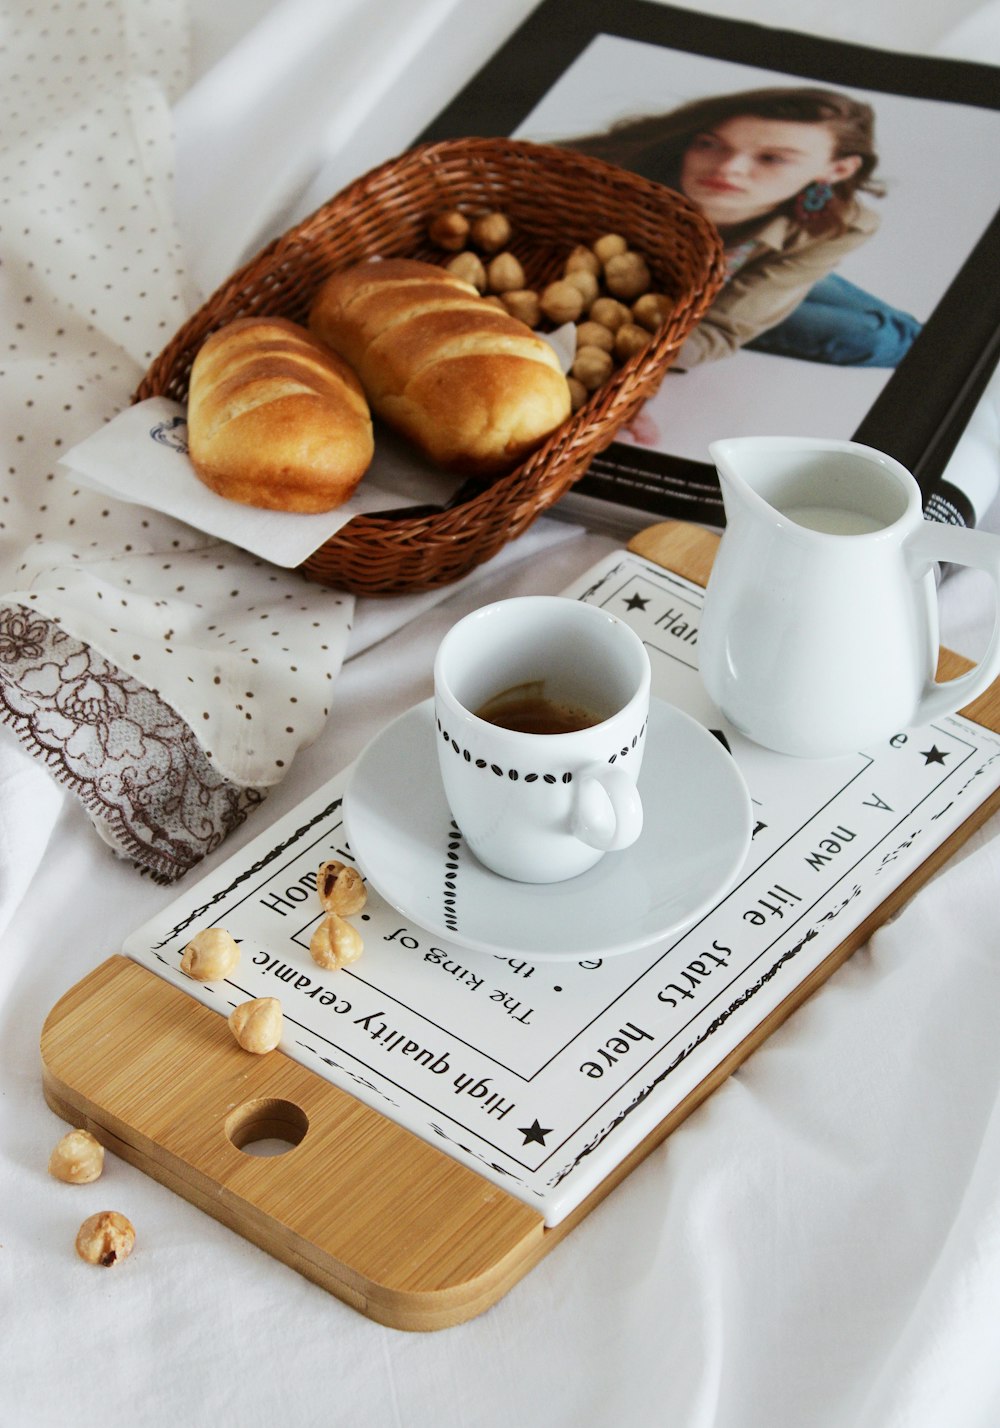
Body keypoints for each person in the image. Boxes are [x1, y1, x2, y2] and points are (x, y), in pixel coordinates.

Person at [567, 86, 921, 369]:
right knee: (882, 339)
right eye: (710, 144)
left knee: (909, 337)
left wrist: (645, 373)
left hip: (750, 271)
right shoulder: (617, 176)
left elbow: (723, 327)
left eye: (773, 158)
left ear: (837, 170)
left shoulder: (841, 226)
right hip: (671, 291)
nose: (729, 168)